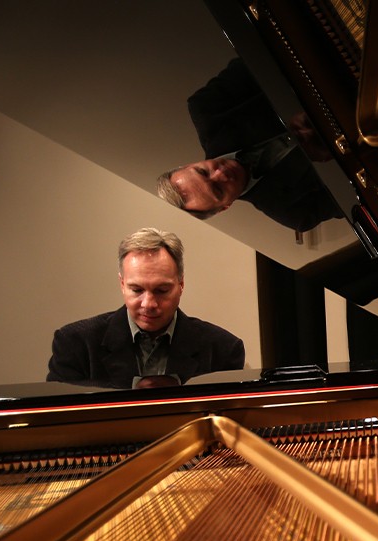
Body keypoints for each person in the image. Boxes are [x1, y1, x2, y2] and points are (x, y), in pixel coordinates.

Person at [156, 58, 340, 232]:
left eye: (204, 172)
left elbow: (265, 56)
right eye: (218, 189)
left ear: (190, 164)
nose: (221, 174)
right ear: (224, 207)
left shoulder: (208, 107)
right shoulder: (295, 212)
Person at [47, 228, 245, 388]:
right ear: (122, 284)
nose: (149, 304)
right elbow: (57, 424)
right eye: (137, 290)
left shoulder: (224, 349)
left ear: (181, 284)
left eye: (161, 290)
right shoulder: (74, 343)